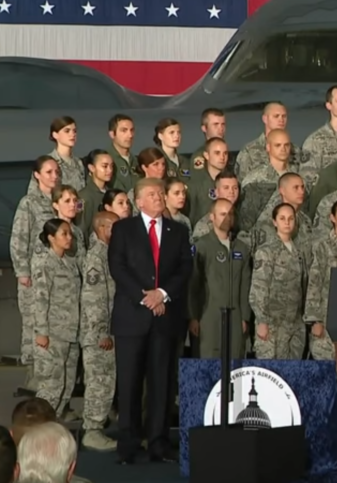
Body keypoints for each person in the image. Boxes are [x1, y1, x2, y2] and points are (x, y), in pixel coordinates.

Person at [108, 177, 192, 464]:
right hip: (132, 317)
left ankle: (158, 442)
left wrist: (163, 294)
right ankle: (128, 444)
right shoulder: (123, 229)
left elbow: (185, 268)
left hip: (165, 318)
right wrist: (146, 298)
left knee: (162, 385)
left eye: (160, 193)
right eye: (151, 194)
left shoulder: (178, 231)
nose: (158, 197)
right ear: (139, 201)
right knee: (130, 384)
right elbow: (117, 266)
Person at [10, 156, 60, 391]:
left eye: (56, 172)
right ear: (37, 175)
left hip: (56, 276)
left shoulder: (62, 201)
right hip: (33, 275)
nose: (54, 176)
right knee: (33, 325)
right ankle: (33, 377)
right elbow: (19, 238)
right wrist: (22, 271)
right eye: (48, 172)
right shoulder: (29, 203)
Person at [30, 218, 81, 417]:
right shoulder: (45, 264)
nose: (69, 238)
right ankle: (35, 429)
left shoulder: (70, 263)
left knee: (67, 386)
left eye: (70, 233)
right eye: (64, 234)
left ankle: (53, 426)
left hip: (71, 333)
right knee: (51, 386)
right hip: (53, 334)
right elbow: (40, 300)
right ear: (51, 238)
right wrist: (42, 332)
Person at [189, 199, 253, 359]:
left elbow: (246, 285)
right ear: (212, 217)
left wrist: (245, 316)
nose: (227, 218)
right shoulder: (201, 246)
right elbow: (192, 285)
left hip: (235, 315)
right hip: (208, 315)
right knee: (208, 361)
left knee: (235, 360)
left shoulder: (242, 248)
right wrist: (193, 317)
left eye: (230, 214)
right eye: (222, 214)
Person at [79, 212, 119, 451]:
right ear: (101, 228)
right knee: (99, 382)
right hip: (99, 335)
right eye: (113, 227)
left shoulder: (109, 253)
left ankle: (98, 425)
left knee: (107, 381)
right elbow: (95, 299)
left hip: (110, 331)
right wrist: (101, 331)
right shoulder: (96, 256)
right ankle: (92, 430)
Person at [250, 204, 307, 360]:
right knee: (271, 374)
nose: (287, 222)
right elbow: (259, 288)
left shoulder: (298, 251)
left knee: (292, 374)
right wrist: (262, 321)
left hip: (294, 323)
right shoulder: (266, 251)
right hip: (272, 324)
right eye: (282, 218)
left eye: (291, 218)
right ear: (274, 222)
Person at [304, 199, 337, 360]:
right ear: (333, 218)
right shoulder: (323, 246)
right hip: (327, 315)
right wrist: (314, 320)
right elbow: (314, 283)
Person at [27, 116, 85, 195]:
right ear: (55, 135)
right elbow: (33, 195)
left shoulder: (78, 163)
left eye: (74, 131)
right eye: (67, 131)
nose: (72, 134)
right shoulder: (46, 163)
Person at [76, 149, 113, 243]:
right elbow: (81, 229)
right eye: (105, 166)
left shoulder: (110, 193)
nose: (109, 170)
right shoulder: (83, 196)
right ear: (92, 168)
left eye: (111, 166)